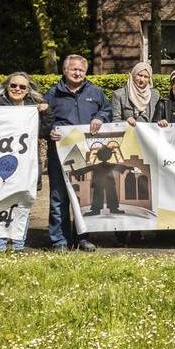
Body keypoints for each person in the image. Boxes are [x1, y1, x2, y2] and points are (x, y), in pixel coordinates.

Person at [44, 54, 111, 252]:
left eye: (81, 70)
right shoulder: (52, 94)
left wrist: (100, 117)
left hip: (87, 153)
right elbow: (42, 121)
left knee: (84, 197)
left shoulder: (95, 92)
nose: (78, 73)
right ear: (64, 71)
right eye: (73, 69)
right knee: (59, 197)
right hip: (60, 153)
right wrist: (49, 131)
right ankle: (60, 240)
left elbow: (107, 110)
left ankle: (83, 237)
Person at [0, 72, 54, 252]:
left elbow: (44, 131)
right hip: (0, 164)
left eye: (22, 87)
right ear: (6, 87)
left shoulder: (33, 110)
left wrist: (47, 112)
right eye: (14, 86)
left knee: (23, 205)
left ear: (28, 91)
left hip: (26, 165)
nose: (17, 89)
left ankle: (18, 243)